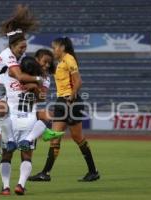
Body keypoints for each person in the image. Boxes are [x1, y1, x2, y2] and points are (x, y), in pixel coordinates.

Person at [0, 5, 62, 159]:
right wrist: (38, 80)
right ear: (12, 46)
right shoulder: (7, 55)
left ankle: (41, 132)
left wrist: (33, 84)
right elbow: (18, 76)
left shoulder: (17, 56)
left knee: (19, 108)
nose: (24, 50)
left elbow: (17, 76)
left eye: (25, 47)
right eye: (21, 47)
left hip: (1, 84)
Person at [29, 37, 100, 182]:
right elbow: (48, 70)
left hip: (70, 101)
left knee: (77, 137)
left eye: (55, 47)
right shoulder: (60, 63)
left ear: (62, 47)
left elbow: (78, 81)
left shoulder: (69, 59)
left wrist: (70, 98)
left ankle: (93, 171)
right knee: (55, 138)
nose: (53, 50)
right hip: (61, 101)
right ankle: (45, 173)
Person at [0, 56, 49, 195]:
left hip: (11, 122)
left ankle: (5, 188)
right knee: (27, 157)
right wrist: (35, 87)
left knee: (6, 156)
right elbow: (42, 98)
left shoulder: (8, 78)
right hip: (29, 122)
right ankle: (20, 185)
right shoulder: (37, 81)